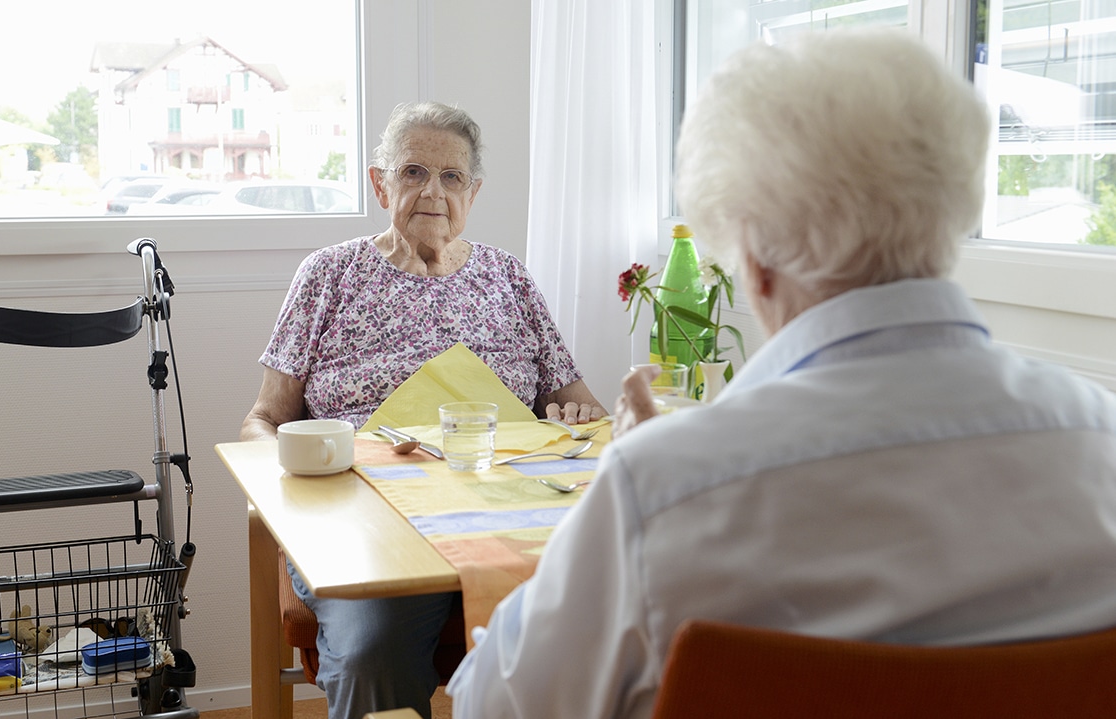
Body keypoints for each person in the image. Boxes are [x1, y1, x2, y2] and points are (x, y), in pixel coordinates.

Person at [447, 28, 1116, 719]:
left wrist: (649, 471)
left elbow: (492, 708)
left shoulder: (663, 487)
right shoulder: (1102, 439)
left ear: (757, 256)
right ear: (947, 219)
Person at [241, 101, 606, 719]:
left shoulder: (507, 277)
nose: (433, 191)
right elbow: (263, 421)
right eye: (413, 172)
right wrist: (297, 468)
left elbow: (579, 404)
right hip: (369, 515)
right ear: (380, 182)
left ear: (474, 191)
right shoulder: (328, 275)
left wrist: (573, 416)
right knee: (371, 652)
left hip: (500, 508)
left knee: (605, 615)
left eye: (452, 176)